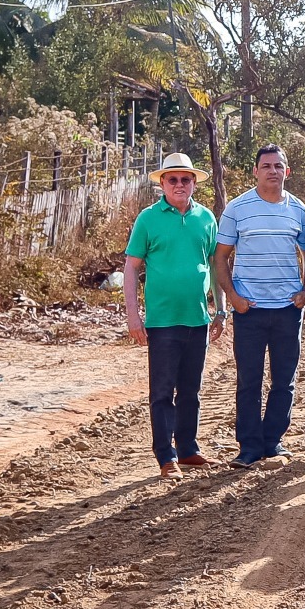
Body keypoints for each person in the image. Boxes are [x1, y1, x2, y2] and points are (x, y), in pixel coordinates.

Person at [123, 153, 224, 480]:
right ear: (162, 184)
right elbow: (131, 268)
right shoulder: (148, 219)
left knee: (191, 389)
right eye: (173, 180)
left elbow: (215, 267)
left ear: (194, 183)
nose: (179, 185)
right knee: (163, 391)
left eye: (185, 179)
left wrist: (220, 309)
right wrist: (133, 316)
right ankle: (165, 456)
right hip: (162, 321)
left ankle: (188, 449)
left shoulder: (206, 218)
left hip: (198, 318)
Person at [213, 145, 305, 469]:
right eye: (266, 165)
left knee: (284, 379)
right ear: (255, 171)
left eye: (278, 165)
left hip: (287, 310)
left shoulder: (298, 210)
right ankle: (249, 448)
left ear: (287, 171)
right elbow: (220, 257)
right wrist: (234, 299)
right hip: (249, 310)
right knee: (249, 380)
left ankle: (274, 442)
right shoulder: (238, 209)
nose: (272, 170)